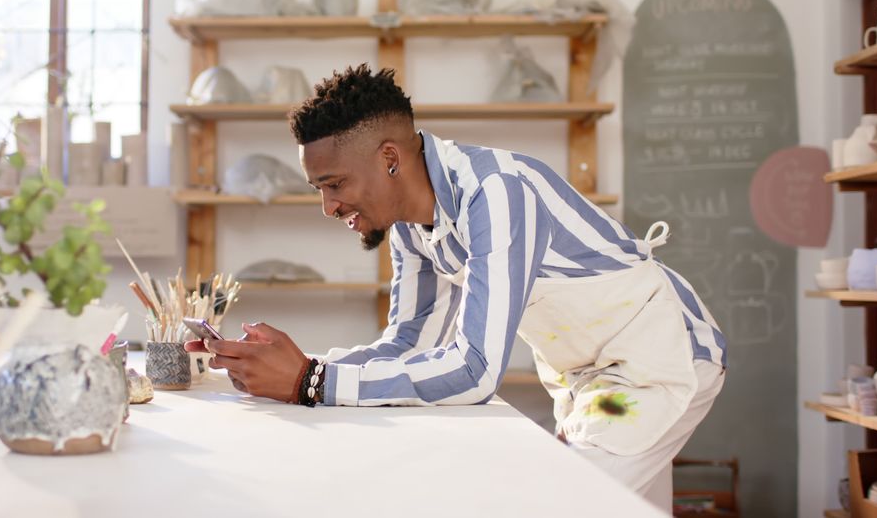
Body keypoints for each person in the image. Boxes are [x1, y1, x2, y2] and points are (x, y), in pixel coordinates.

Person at [185, 64, 726, 509]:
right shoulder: (411, 229)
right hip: (586, 381)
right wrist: (297, 365)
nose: (328, 206)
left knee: (571, 503)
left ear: (390, 158)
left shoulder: (496, 194)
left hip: (656, 364)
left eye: (334, 184)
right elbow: (406, 345)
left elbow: (474, 371)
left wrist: (310, 380)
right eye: (318, 188)